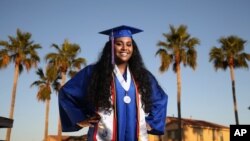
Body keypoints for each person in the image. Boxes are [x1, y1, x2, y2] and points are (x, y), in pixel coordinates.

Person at [59, 25, 168, 141]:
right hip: (103, 135)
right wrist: (79, 119)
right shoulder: (94, 72)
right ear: (110, 47)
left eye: (129, 44)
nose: (125, 48)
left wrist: (151, 123)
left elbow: (160, 99)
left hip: (135, 136)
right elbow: (67, 93)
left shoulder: (143, 75)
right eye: (119, 43)